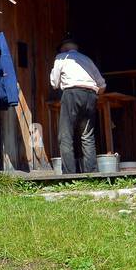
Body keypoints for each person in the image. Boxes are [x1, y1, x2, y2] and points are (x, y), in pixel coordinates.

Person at [49, 34, 106, 174]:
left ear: (63, 49)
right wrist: (93, 95)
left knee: (65, 135)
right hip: (91, 95)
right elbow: (102, 85)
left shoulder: (61, 58)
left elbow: (54, 83)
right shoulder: (87, 60)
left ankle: (69, 174)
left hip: (72, 94)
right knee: (87, 135)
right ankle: (92, 173)